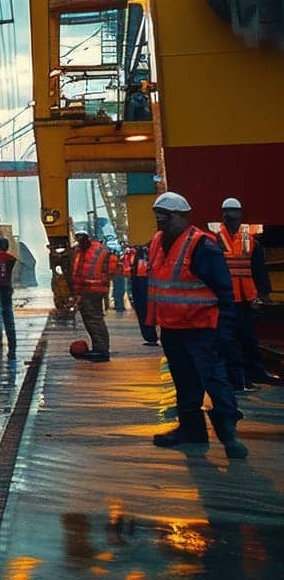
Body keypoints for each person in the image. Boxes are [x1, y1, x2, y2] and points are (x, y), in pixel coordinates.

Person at [147, 190, 246, 458]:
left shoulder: (203, 245)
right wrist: (151, 324)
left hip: (201, 329)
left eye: (164, 218)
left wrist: (224, 330)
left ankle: (230, 437)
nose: (160, 223)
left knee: (214, 380)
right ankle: (192, 431)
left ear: (180, 216)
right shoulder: (157, 241)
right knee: (185, 382)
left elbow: (223, 291)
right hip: (172, 329)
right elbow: (157, 283)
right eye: (157, 218)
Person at [214, 196, 281, 389]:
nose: (232, 217)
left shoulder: (248, 239)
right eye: (229, 213)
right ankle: (238, 377)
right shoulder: (216, 238)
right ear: (224, 215)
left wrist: (262, 293)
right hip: (225, 298)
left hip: (244, 298)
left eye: (235, 213)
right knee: (228, 340)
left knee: (247, 338)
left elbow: (257, 267)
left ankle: (253, 373)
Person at [70, 223, 118, 360]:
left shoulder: (85, 252)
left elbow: (80, 273)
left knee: (93, 320)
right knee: (94, 319)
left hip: (91, 290)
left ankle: (101, 351)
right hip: (94, 289)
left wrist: (78, 293)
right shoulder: (97, 249)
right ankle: (100, 348)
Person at [123, 241, 158, 346]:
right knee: (143, 308)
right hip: (140, 279)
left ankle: (151, 336)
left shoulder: (152, 246)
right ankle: (150, 336)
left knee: (145, 308)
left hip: (145, 279)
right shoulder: (137, 250)